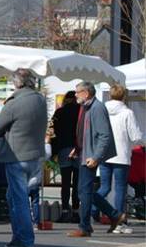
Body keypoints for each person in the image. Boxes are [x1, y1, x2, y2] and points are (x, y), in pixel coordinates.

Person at [0, 68, 48, 247]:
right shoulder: (40, 99)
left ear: (17, 83)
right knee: (15, 197)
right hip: (35, 154)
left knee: (19, 198)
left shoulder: (14, 103)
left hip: (17, 155)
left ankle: (24, 240)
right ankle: (19, 237)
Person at [69, 80, 126, 236]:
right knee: (83, 191)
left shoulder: (97, 108)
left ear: (86, 93)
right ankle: (115, 215)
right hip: (84, 153)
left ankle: (85, 227)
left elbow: (104, 135)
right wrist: (77, 148)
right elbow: (85, 133)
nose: (75, 95)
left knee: (85, 192)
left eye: (77, 92)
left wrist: (96, 156)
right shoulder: (86, 107)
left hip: (90, 156)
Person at [100, 84, 141, 229]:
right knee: (120, 188)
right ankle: (118, 218)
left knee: (104, 187)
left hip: (104, 153)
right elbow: (135, 136)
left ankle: (93, 208)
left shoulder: (102, 110)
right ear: (124, 96)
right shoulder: (127, 113)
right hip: (121, 154)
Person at [49, 91, 80, 222]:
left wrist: (53, 151)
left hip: (63, 149)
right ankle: (76, 211)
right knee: (77, 183)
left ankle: (65, 210)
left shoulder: (59, 112)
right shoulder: (81, 112)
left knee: (66, 183)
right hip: (79, 149)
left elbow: (54, 132)